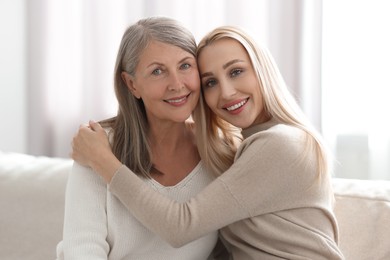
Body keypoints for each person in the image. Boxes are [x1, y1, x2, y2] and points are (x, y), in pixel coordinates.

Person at [72, 26, 345, 259]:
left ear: (262, 69)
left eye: (236, 72)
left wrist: (103, 161)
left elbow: (180, 227)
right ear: (131, 84)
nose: (226, 92)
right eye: (211, 82)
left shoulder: (280, 144)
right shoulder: (232, 151)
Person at [56, 17, 230, 260]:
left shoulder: (221, 152)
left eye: (185, 65)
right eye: (157, 71)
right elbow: (82, 249)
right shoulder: (97, 147)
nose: (176, 84)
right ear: (132, 84)